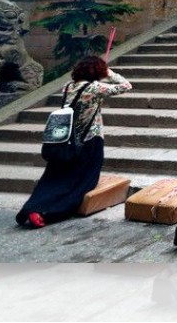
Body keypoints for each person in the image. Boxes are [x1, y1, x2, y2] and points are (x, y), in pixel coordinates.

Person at [16, 55, 132, 228]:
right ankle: (49, 213)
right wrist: (109, 72)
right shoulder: (94, 88)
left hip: (66, 140)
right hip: (89, 141)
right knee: (80, 183)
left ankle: (31, 209)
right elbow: (126, 86)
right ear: (97, 71)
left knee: (53, 179)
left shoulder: (68, 87)